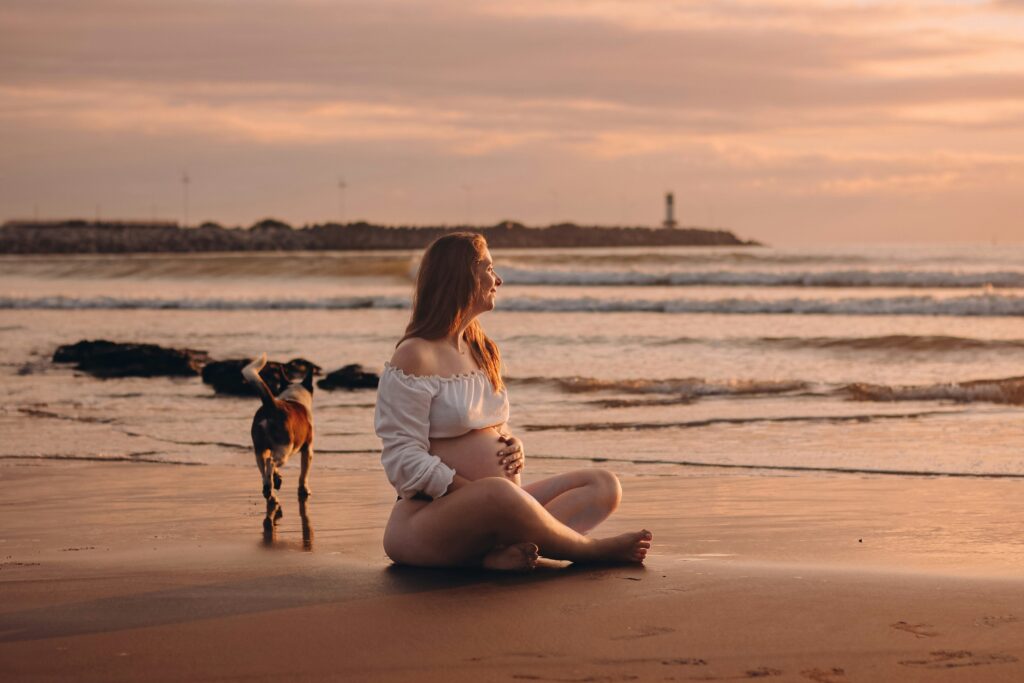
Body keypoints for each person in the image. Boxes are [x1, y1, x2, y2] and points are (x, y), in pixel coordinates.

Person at [374, 232, 652, 570]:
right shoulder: (414, 354)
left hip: (499, 508)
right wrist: (476, 492)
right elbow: (402, 458)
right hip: (425, 523)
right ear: (462, 275)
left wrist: (513, 445)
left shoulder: (482, 350)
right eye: (488, 268)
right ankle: (590, 551)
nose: (498, 279)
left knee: (603, 484)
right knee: (498, 494)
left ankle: (502, 552)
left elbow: (490, 428)